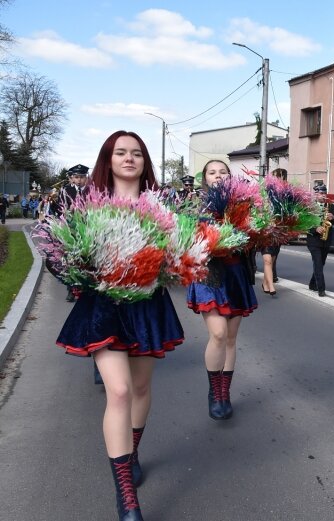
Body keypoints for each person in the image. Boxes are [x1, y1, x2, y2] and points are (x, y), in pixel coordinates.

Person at [55, 130, 185, 521]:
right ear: (108, 159)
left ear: (145, 162)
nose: (129, 159)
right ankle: (125, 491)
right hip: (103, 308)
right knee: (120, 390)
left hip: (147, 305)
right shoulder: (85, 205)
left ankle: (133, 449)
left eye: (137, 154)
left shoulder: (162, 206)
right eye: (120, 152)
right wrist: (82, 272)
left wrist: (176, 264)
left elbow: (179, 257)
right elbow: (61, 256)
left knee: (142, 387)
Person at [186, 159, 257, 421]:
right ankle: (214, 392)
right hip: (209, 275)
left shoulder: (242, 204)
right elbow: (186, 240)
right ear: (205, 178)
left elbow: (253, 239)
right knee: (218, 334)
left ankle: (225, 393)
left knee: (230, 338)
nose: (218, 176)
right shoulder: (196, 206)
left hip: (236, 275)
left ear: (230, 176)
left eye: (223, 172)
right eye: (212, 173)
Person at [62, 164, 91, 302]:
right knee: (71, 259)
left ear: (86, 178)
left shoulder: (92, 190)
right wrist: (69, 210)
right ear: (72, 178)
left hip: (87, 229)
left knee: (87, 259)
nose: (79, 180)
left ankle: (86, 289)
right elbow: (60, 208)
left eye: (82, 177)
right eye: (76, 177)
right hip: (71, 229)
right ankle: (70, 289)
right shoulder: (66, 190)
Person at [306, 184, 334, 297]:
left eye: (325, 193)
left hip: (326, 240)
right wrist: (315, 229)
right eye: (321, 193)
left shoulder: (330, 206)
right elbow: (303, 225)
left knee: (321, 264)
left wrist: (333, 217)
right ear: (315, 194)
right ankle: (321, 289)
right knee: (318, 264)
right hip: (313, 240)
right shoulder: (309, 207)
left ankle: (312, 284)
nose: (323, 196)